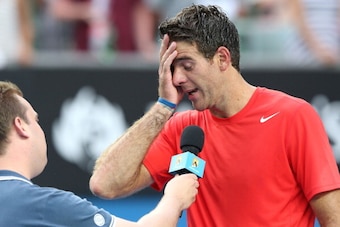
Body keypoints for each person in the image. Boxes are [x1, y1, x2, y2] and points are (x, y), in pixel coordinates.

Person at [89, 4, 340, 227]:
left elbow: (334, 217)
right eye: (172, 69)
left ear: (222, 58)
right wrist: (163, 106)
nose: (177, 79)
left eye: (187, 65)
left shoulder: (293, 116)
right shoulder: (184, 129)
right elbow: (105, 185)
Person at [0, 81, 199, 226]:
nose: (39, 129)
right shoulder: (43, 205)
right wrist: (174, 198)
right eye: (35, 120)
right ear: (21, 126)